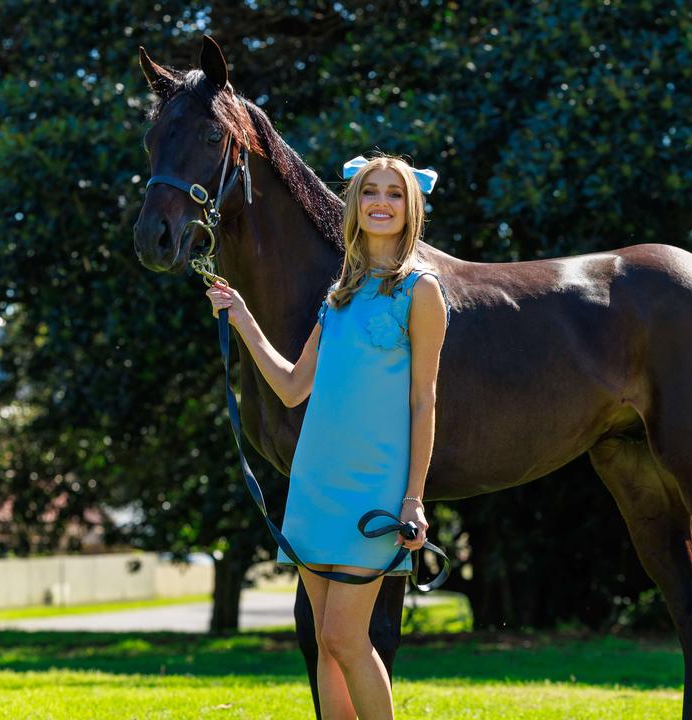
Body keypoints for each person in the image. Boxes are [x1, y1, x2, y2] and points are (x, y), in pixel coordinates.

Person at [206, 152, 450, 720]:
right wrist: (241, 316)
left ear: (410, 207)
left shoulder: (422, 290)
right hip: (316, 484)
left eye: (394, 193)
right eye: (370, 193)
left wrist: (414, 496)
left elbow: (424, 400)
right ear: (355, 206)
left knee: (346, 637)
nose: (381, 203)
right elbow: (293, 387)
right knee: (323, 640)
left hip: (375, 488)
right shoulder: (339, 292)